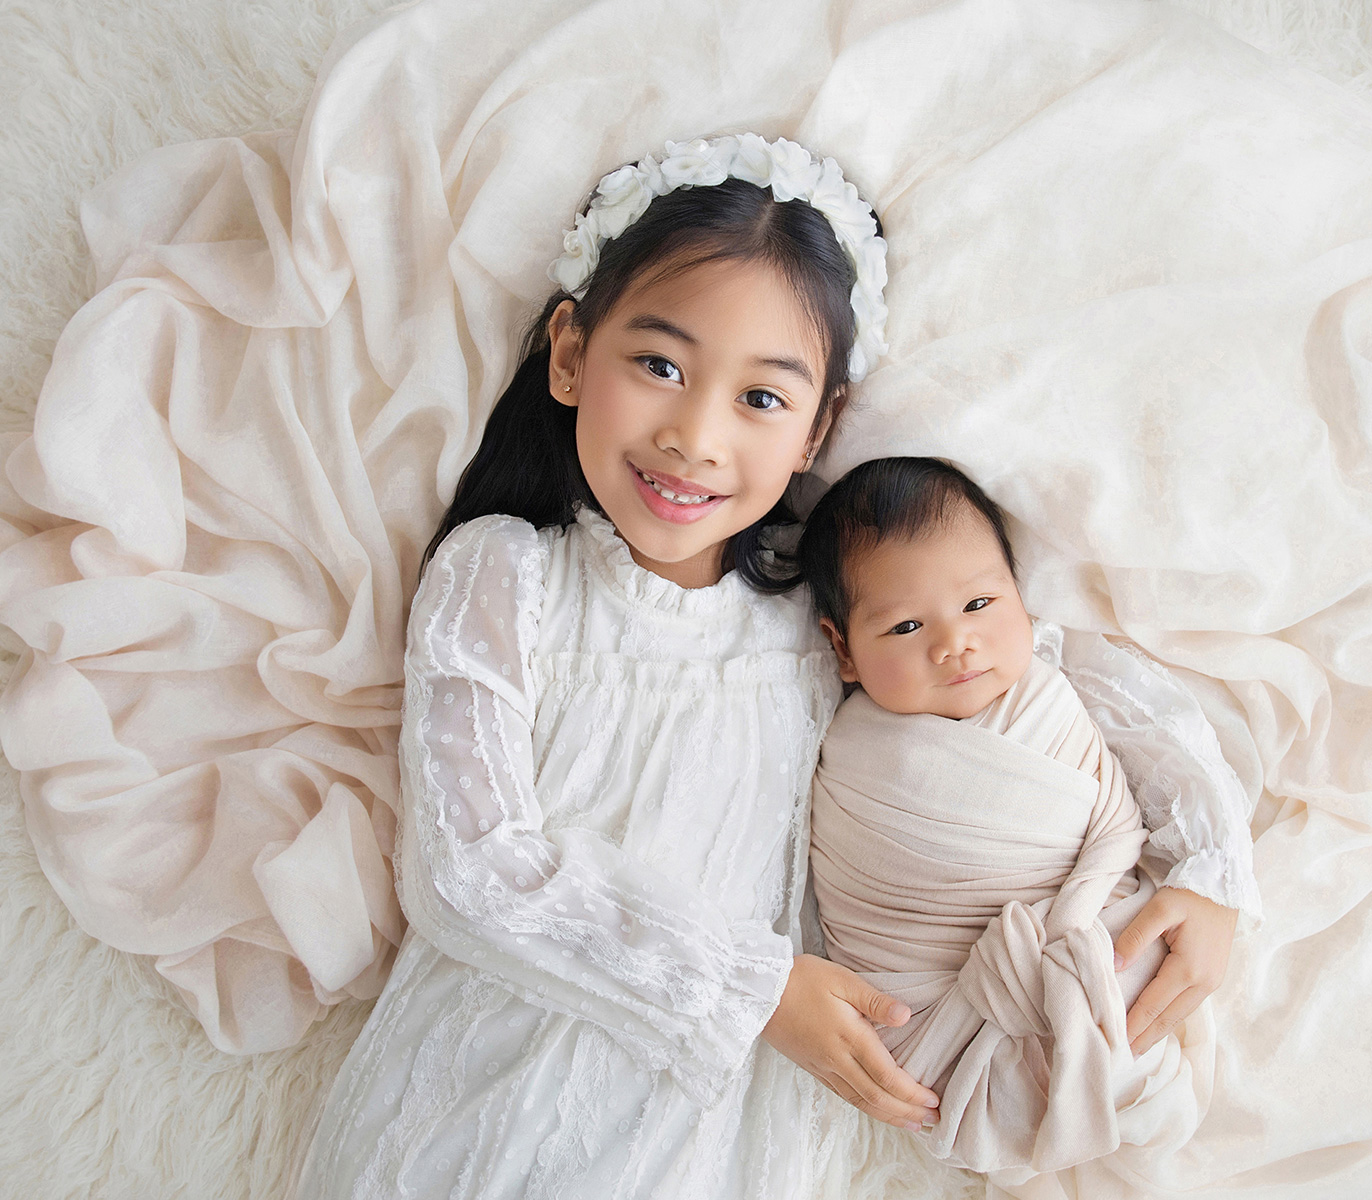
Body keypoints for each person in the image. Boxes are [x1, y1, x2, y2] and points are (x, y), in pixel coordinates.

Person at [292, 134, 1256, 1200]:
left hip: (716, 1139)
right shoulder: (506, 573)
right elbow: (466, 869)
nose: (696, 437)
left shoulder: (821, 616)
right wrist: (750, 990)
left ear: (816, 431)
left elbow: (1072, 678)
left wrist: (1212, 874)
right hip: (484, 1107)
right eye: (659, 366)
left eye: (761, 398)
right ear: (569, 354)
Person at [800, 457, 1231, 1195]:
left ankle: (1103, 1065)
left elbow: (1161, 781)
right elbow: (857, 903)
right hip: (938, 1017)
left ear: (1021, 596)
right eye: (906, 625)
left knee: (1136, 972)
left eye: (979, 603)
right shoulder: (850, 754)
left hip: (1086, 937)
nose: (954, 643)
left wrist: (1213, 881)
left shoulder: (1058, 689)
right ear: (843, 649)